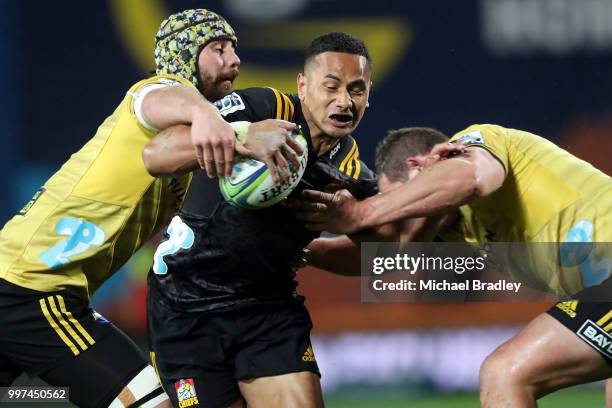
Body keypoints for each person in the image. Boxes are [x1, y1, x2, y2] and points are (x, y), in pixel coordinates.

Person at [0, 9, 295, 408]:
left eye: (235, 49)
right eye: (218, 48)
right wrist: (219, 120)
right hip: (32, 290)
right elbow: (156, 99)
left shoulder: (186, 150)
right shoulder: (156, 93)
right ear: (186, 57)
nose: (234, 60)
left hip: (29, 287)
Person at [294, 123, 612, 406]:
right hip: (599, 289)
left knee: (505, 374)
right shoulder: (450, 229)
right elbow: (380, 256)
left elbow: (468, 176)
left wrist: (363, 213)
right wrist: (297, 250)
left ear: (421, 165)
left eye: (403, 203)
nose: (405, 216)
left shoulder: (475, 146)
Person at [142, 32, 379, 408]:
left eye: (357, 90)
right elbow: (156, 155)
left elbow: (381, 255)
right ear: (303, 86)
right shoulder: (260, 109)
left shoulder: (350, 174)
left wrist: (348, 222)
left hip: (267, 310)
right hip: (185, 309)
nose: (344, 101)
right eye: (331, 86)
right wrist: (242, 136)